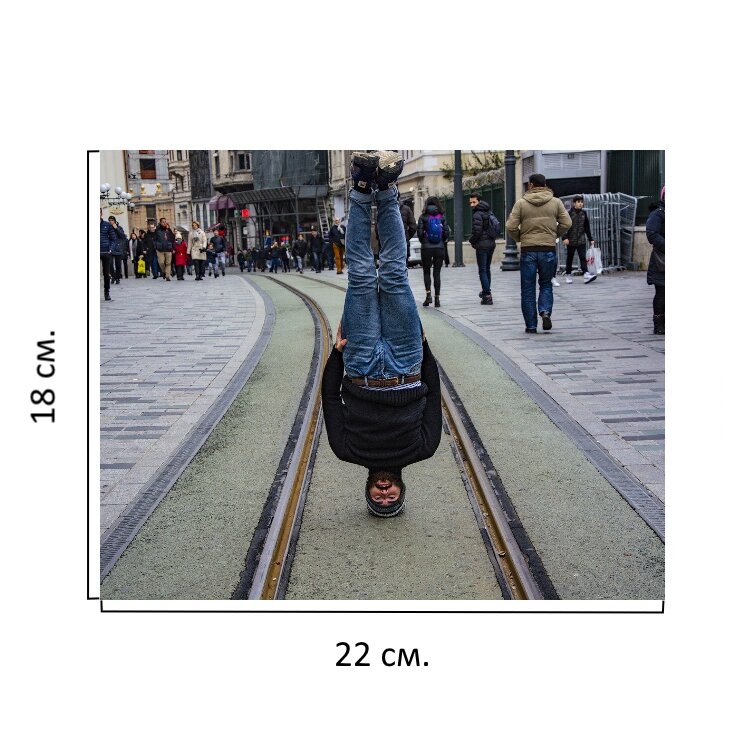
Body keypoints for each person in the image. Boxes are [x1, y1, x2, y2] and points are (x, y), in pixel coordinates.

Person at [322, 151, 442, 518]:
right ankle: (387, 187)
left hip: (359, 364)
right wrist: (425, 349)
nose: (385, 494)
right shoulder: (424, 449)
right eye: (391, 499)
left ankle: (362, 187)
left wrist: (337, 355)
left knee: (360, 275)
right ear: (402, 490)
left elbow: (330, 399)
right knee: (393, 274)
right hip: (407, 362)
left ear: (369, 491)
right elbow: (434, 396)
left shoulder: (346, 451)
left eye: (379, 499)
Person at [506, 173, 572, 333]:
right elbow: (567, 223)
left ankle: (531, 325)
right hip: (547, 249)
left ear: (530, 185)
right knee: (546, 283)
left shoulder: (521, 203)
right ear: (545, 185)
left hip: (528, 250)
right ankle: (545, 311)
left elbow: (510, 226)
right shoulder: (555, 202)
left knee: (528, 289)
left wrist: (520, 238)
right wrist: (553, 235)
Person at [417, 196, 450, 308]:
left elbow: (419, 233)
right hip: (439, 247)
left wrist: (424, 241)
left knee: (426, 272)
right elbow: (446, 232)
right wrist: (441, 241)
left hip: (426, 247)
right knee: (437, 272)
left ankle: (428, 296)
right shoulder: (442, 216)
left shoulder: (423, 216)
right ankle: (437, 299)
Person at [468, 193, 497, 305]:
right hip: (491, 244)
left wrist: (471, 240)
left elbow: (477, 231)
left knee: (482, 270)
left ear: (479, 201)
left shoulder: (477, 214)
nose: (472, 204)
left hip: (482, 245)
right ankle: (486, 291)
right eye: (470, 202)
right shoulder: (489, 211)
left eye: (474, 202)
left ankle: (487, 295)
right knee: (487, 269)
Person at [563, 195, 596, 283]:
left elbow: (587, 227)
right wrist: (564, 238)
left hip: (581, 240)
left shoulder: (584, 213)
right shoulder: (569, 213)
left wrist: (590, 239)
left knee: (582, 257)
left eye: (581, 202)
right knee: (570, 258)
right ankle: (568, 274)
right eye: (578, 202)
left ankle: (586, 274)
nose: (580, 204)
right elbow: (564, 226)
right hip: (571, 240)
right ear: (574, 203)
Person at [646, 187, 665, 335]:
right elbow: (652, 234)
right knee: (662, 293)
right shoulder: (658, 213)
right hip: (662, 260)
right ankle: (659, 324)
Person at [99, 208, 117, 301]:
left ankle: (107, 292)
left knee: (106, 274)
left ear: (101, 213)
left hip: (105, 252)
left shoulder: (107, 225)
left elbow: (113, 239)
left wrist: (111, 249)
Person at [109, 216, 127, 284]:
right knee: (110, 264)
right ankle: (113, 277)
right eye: (109, 220)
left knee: (118, 265)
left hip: (118, 248)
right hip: (110, 248)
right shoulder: (108, 228)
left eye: (112, 220)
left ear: (115, 221)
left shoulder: (119, 228)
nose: (110, 221)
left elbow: (123, 236)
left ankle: (117, 278)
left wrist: (116, 228)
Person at [400, 196, 417, 264]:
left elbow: (377, 229)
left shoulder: (383, 209)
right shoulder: (406, 209)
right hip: (403, 242)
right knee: (404, 265)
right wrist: (406, 237)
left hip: (388, 245)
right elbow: (413, 227)